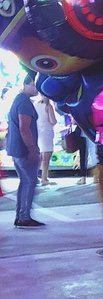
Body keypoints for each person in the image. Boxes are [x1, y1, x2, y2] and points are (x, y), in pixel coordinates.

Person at [6, 72, 45, 228]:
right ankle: (24, 217)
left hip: (17, 149)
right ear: (26, 84)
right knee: (30, 182)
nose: (37, 89)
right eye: (34, 85)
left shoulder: (19, 100)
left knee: (25, 182)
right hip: (24, 150)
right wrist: (32, 149)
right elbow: (24, 128)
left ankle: (21, 215)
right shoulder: (24, 103)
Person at [34, 94, 57, 186]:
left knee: (40, 156)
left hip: (38, 132)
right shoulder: (48, 106)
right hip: (46, 132)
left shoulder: (35, 104)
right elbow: (53, 121)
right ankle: (44, 178)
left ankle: (38, 176)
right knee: (46, 156)